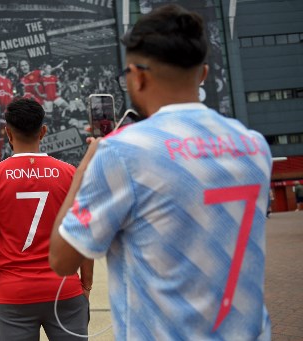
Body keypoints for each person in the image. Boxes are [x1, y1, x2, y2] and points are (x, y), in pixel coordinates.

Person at [49, 5, 272, 340]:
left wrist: (84, 167)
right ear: (204, 74)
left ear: (138, 76)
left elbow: (62, 260)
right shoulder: (254, 145)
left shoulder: (123, 152)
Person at [0, 98, 93, 340]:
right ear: (43, 131)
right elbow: (83, 233)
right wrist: (85, 285)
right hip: (64, 289)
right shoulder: (70, 173)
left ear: (7, 132)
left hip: (13, 293)